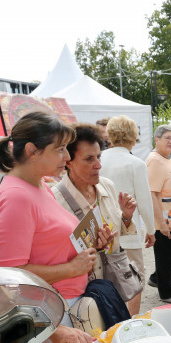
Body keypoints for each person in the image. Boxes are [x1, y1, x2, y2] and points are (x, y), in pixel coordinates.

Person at [0, 112, 98, 343]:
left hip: (63, 306)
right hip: (50, 314)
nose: (68, 156)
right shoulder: (16, 196)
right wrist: (71, 269)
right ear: (32, 150)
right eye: (60, 149)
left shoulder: (39, 185)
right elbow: (11, 273)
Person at [51, 123, 138, 298]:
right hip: (81, 291)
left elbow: (117, 230)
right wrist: (94, 247)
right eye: (89, 159)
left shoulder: (108, 186)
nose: (98, 165)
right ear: (69, 161)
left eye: (98, 156)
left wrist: (126, 217)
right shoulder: (55, 200)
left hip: (113, 284)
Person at [99, 115, 156, 315]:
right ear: (133, 137)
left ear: (110, 135)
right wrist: (151, 229)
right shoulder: (136, 163)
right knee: (135, 277)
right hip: (129, 229)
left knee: (105, 277)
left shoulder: (98, 159)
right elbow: (144, 200)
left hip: (101, 230)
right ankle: (132, 319)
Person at [146, 125, 171, 302]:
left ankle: (156, 278)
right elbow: (152, 193)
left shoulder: (165, 158)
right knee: (168, 256)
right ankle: (166, 291)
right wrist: (161, 223)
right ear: (157, 139)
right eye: (167, 138)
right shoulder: (155, 160)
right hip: (166, 220)